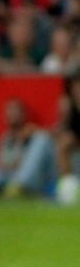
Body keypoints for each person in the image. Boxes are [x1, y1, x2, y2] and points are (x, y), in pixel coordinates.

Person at [0, 98, 56, 199]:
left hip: (33, 180)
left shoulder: (35, 135)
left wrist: (32, 132)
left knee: (41, 137)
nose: (14, 114)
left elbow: (37, 164)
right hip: (11, 178)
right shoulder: (6, 138)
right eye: (10, 111)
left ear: (24, 114)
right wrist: (19, 143)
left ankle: (18, 187)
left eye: (17, 111)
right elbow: (4, 165)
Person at [55, 70, 80, 205]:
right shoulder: (68, 104)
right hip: (75, 141)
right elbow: (64, 129)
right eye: (75, 86)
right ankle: (67, 186)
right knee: (64, 144)